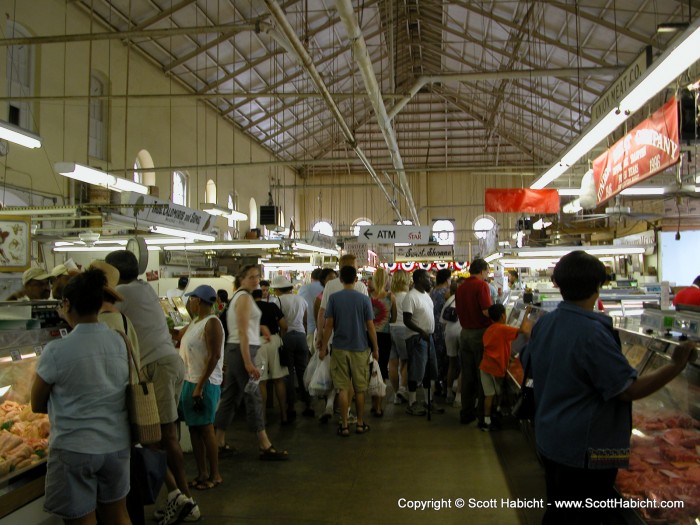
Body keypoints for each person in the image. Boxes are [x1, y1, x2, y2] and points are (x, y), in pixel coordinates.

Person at [523, 250, 696, 524]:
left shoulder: (545, 322)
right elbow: (627, 389)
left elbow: (531, 364)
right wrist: (675, 366)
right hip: (588, 450)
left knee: (559, 511)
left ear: (558, 284)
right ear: (598, 286)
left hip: (551, 438)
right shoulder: (591, 332)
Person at [31, 269, 132, 525]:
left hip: (75, 448)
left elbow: (36, 403)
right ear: (99, 304)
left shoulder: (57, 350)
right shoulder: (119, 340)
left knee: (82, 520)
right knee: (118, 514)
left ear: (66, 304)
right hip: (116, 445)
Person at [105, 250, 198, 525]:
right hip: (168, 363)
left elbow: (102, 316)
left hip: (156, 367)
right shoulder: (143, 288)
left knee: (162, 438)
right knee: (162, 437)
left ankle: (184, 500)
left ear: (115, 274)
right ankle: (178, 498)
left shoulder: (122, 293)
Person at [89, 259, 144, 525]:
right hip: (127, 413)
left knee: (110, 501)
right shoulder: (123, 319)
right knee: (126, 491)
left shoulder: (96, 326)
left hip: (103, 420)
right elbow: (137, 362)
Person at [214, 264, 288, 460]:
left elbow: (244, 326)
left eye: (257, 276)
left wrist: (261, 326)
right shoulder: (245, 298)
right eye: (251, 277)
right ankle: (264, 444)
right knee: (253, 395)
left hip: (237, 350)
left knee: (230, 397)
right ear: (241, 279)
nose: (256, 280)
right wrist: (248, 362)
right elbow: (244, 333)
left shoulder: (239, 297)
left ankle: (217, 441)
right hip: (242, 352)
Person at [320, 265, 378, 437]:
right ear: (355, 280)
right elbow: (370, 326)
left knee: (343, 388)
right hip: (360, 348)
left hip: (339, 348)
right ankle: (360, 424)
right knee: (360, 389)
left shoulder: (334, 299)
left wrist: (323, 347)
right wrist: (376, 348)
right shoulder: (364, 299)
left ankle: (344, 425)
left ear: (340, 280)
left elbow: (328, 325)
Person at [179, 285, 224, 490]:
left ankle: (215, 475)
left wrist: (200, 386)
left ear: (199, 300)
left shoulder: (212, 323)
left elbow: (214, 356)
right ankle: (202, 472)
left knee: (206, 429)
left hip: (204, 383)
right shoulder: (195, 322)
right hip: (190, 380)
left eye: (192, 299)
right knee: (194, 430)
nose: (189, 303)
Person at [479, 303, 531, 431]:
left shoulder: (489, 329)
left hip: (486, 366)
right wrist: (527, 312)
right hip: (495, 368)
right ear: (503, 315)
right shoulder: (503, 329)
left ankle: (488, 419)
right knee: (495, 393)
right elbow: (523, 330)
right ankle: (491, 416)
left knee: (489, 395)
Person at [455, 258, 492, 425]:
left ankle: (466, 412)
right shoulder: (481, 286)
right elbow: (486, 311)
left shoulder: (460, 288)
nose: (488, 275)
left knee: (468, 376)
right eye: (487, 271)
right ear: (482, 270)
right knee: (482, 376)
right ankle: (481, 415)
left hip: (465, 334)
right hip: (479, 334)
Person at [403, 269, 443, 416]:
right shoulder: (411, 296)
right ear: (420, 279)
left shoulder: (426, 295)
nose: (430, 280)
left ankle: (428, 400)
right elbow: (407, 320)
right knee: (415, 371)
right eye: (427, 277)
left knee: (428, 370)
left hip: (428, 337)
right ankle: (412, 402)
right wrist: (421, 331)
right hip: (417, 338)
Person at [272, 275, 313, 419]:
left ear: (277, 289)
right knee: (303, 372)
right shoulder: (301, 300)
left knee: (288, 373)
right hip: (301, 336)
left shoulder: (277, 301)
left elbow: (277, 322)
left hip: (286, 337)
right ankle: (308, 404)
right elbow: (306, 320)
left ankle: (291, 406)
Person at [251, 289, 289, 426]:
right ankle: (284, 415)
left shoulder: (249, 308)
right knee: (279, 379)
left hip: (257, 343)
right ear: (262, 296)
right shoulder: (272, 306)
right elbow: (284, 326)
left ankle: (263, 419)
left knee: (262, 382)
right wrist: (280, 338)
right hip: (274, 341)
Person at [368, 268, 396, 417]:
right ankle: (378, 406)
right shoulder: (391, 297)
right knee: (382, 370)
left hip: (369, 336)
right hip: (385, 337)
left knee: (370, 369)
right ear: (386, 280)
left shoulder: (368, 297)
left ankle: (373, 403)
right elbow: (394, 318)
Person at [388, 270, 411, 404]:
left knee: (393, 362)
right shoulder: (408, 296)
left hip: (389, 329)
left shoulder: (390, 296)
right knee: (408, 360)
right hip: (403, 330)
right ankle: (403, 388)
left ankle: (396, 393)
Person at [440, 279, 463, 407]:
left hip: (449, 333)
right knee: (464, 365)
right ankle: (458, 397)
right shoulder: (466, 298)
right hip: (462, 332)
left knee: (452, 364)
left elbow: (442, 321)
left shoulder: (449, 301)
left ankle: (449, 393)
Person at [430, 269, 452, 396]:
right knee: (445, 356)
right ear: (446, 279)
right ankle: (444, 385)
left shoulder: (433, 291)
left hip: (434, 326)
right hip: (443, 327)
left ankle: (436, 383)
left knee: (437, 356)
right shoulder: (446, 292)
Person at [298, 268, 323, 350]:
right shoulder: (326, 288)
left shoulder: (303, 289)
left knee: (309, 359)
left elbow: (300, 308)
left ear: (311, 278)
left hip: (308, 329)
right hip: (323, 330)